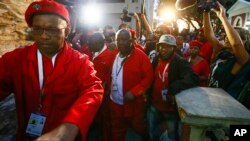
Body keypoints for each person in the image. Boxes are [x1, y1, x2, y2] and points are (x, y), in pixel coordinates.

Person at [0, 1, 103, 141]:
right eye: (37, 29)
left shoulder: (80, 62)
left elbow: (93, 90)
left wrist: (68, 128)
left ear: (67, 31)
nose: (43, 36)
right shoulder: (16, 59)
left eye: (52, 30)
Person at [148, 34, 199, 141]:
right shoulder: (156, 59)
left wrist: (173, 87)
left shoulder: (180, 62)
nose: (164, 49)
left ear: (174, 48)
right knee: (152, 133)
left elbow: (193, 79)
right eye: (161, 46)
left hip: (170, 109)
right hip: (154, 106)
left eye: (168, 46)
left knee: (171, 137)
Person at [109, 29, 154, 141]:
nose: (121, 43)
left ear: (131, 41)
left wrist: (134, 92)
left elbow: (149, 78)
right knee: (117, 129)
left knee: (137, 128)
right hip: (115, 102)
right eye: (118, 40)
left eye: (124, 40)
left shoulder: (141, 57)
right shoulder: (113, 53)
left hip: (133, 104)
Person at [203, 1, 250, 99]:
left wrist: (223, 17)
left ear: (244, 41)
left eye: (232, 35)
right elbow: (209, 35)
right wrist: (206, 10)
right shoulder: (223, 51)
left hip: (227, 106)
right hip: (211, 97)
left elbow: (236, 44)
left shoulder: (243, 58)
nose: (227, 37)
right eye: (227, 34)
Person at [87, 32, 117, 141]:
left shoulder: (111, 54)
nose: (88, 46)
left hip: (105, 96)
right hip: (91, 94)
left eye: (91, 44)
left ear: (100, 43)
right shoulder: (90, 52)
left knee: (105, 120)